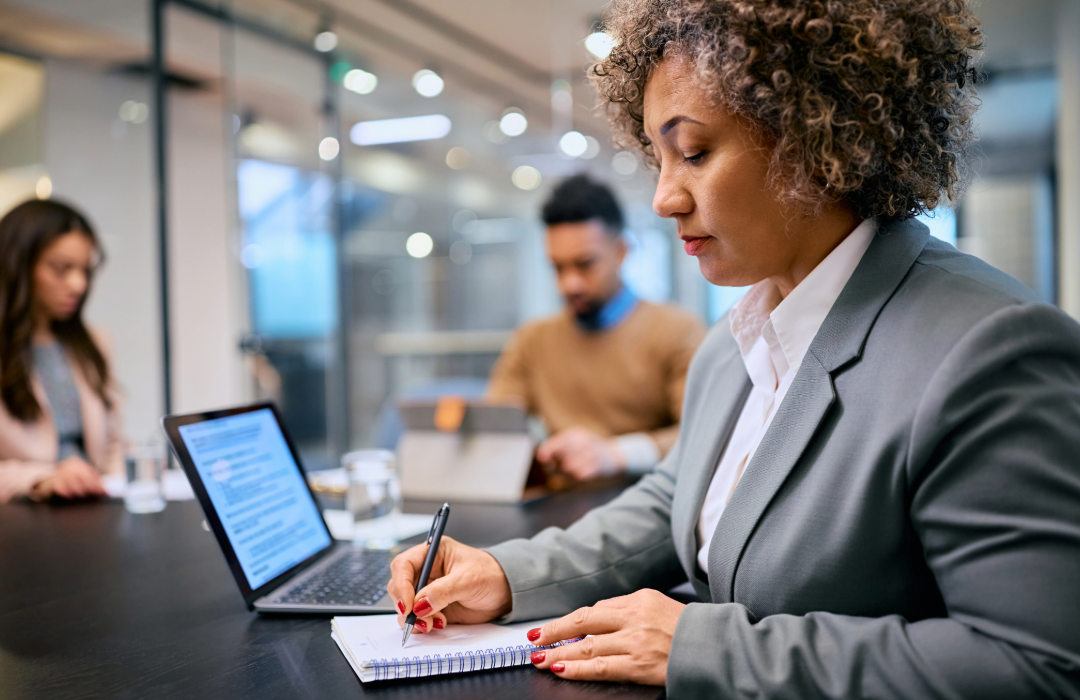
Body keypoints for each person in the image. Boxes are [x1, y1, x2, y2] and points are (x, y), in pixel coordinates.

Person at [386, 0, 1080, 697]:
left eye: (693, 153)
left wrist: (709, 646)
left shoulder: (990, 351)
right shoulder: (735, 342)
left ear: (817, 136)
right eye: (656, 158)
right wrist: (510, 576)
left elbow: (1032, 665)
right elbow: (673, 501)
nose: (663, 198)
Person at [486, 174, 705, 480]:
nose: (569, 284)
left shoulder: (677, 332)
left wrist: (617, 454)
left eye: (585, 264)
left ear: (621, 252)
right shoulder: (532, 340)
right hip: (559, 504)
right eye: (558, 267)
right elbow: (496, 427)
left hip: (647, 506)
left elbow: (706, 437)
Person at [0, 199, 121, 502]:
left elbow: (112, 446)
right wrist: (41, 479)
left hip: (93, 510)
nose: (79, 284)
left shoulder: (93, 343)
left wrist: (122, 488)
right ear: (18, 264)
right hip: (22, 521)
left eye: (85, 270)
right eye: (61, 268)